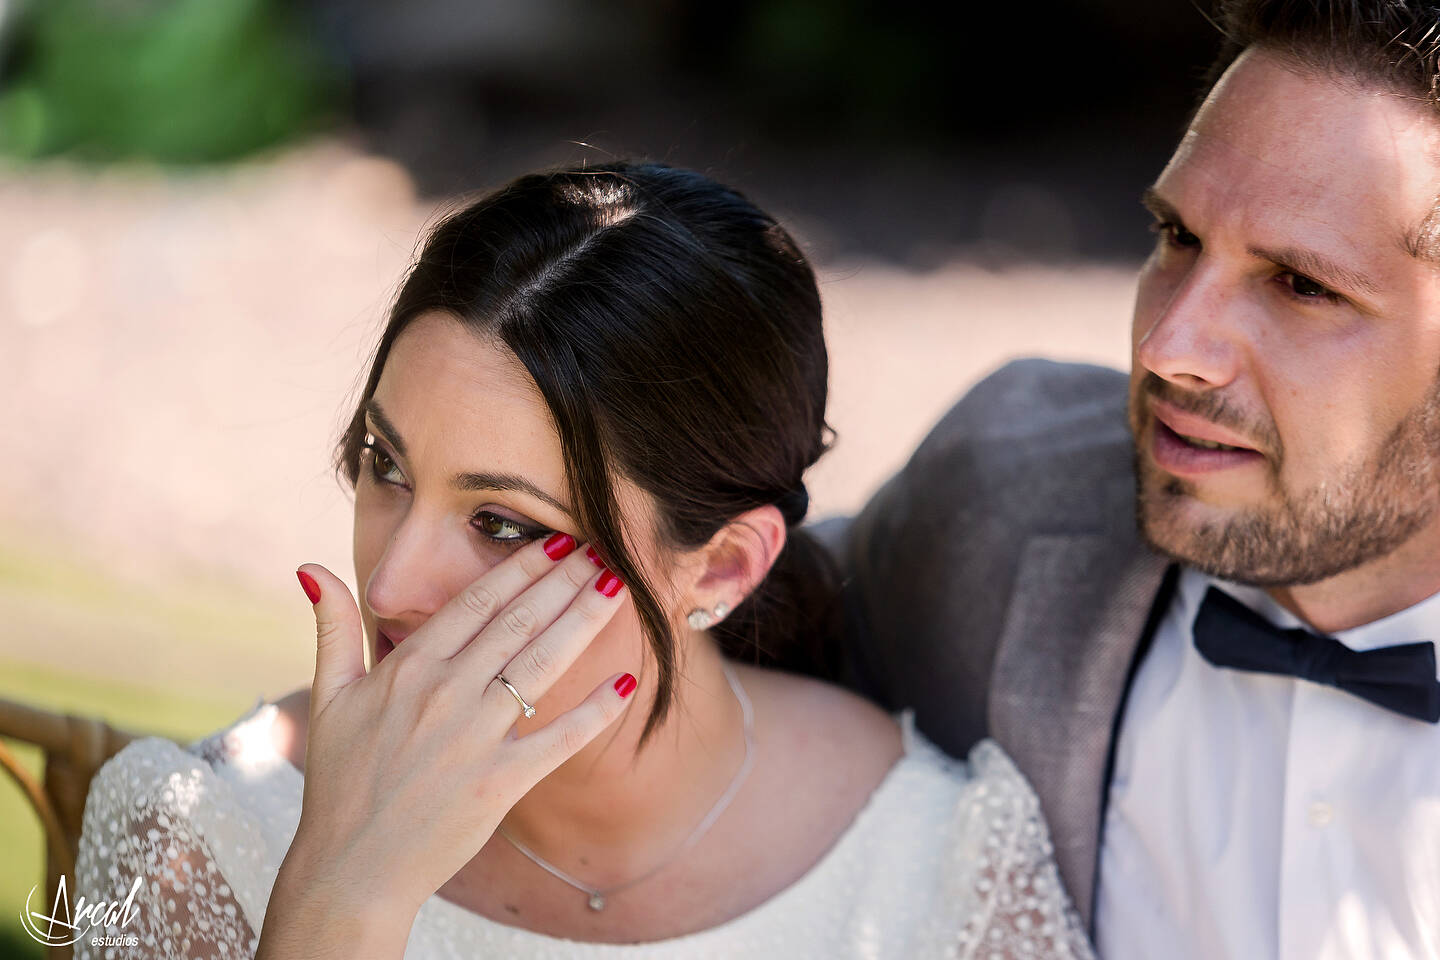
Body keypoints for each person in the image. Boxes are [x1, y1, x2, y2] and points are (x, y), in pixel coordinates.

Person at [71, 162, 1094, 959]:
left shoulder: (934, 867)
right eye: (387, 464)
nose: (387, 587)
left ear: (726, 568)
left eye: (503, 524)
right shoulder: (201, 831)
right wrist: (342, 899)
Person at [828, 2, 1440, 958]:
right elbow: (708, 614)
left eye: (1303, 286)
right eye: (1178, 237)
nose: (1168, 346)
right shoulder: (1001, 499)